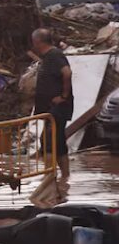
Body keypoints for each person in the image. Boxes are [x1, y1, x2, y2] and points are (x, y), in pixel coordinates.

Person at [32, 28, 73, 190]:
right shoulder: (48, 57)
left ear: (38, 42)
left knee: (48, 142)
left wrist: (63, 96)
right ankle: (65, 178)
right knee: (59, 142)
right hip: (51, 109)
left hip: (57, 108)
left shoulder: (55, 55)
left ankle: (48, 179)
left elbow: (67, 73)